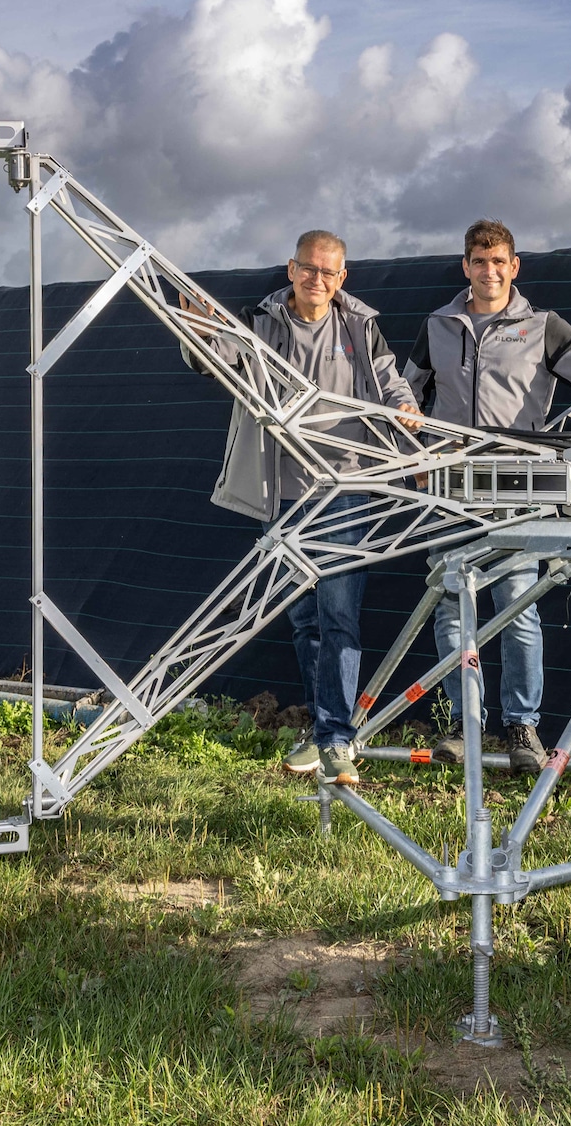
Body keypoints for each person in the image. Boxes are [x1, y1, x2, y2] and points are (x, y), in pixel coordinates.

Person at [404, 219, 571, 772]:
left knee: (517, 607)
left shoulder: (542, 327)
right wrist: (414, 455)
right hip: (452, 488)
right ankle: (464, 725)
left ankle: (521, 729)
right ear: (465, 266)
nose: (489, 271)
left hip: (516, 488)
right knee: (453, 608)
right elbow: (403, 394)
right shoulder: (437, 326)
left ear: (514, 266)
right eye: (479, 262)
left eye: (499, 261)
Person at [181, 230, 420, 788]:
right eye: (309, 269)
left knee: (339, 613)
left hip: (344, 489)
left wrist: (405, 408)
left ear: (343, 278)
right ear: (291, 269)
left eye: (329, 272)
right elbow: (221, 359)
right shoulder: (263, 323)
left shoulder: (359, 326)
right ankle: (321, 727)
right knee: (302, 615)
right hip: (281, 492)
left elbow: (389, 383)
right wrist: (195, 335)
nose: (318, 280)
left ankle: (337, 737)